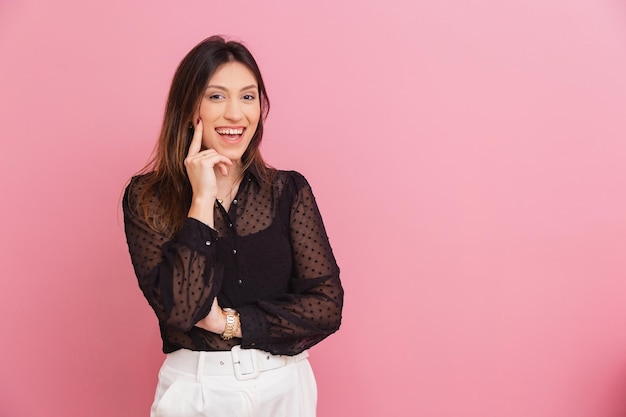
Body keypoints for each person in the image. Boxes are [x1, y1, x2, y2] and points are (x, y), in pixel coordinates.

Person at [122, 35, 343, 417]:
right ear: (189, 107)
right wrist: (202, 200)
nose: (236, 115)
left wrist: (231, 322)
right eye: (216, 97)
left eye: (248, 97)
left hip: (285, 388)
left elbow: (327, 306)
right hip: (196, 390)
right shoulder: (147, 197)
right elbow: (182, 311)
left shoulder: (287, 190)